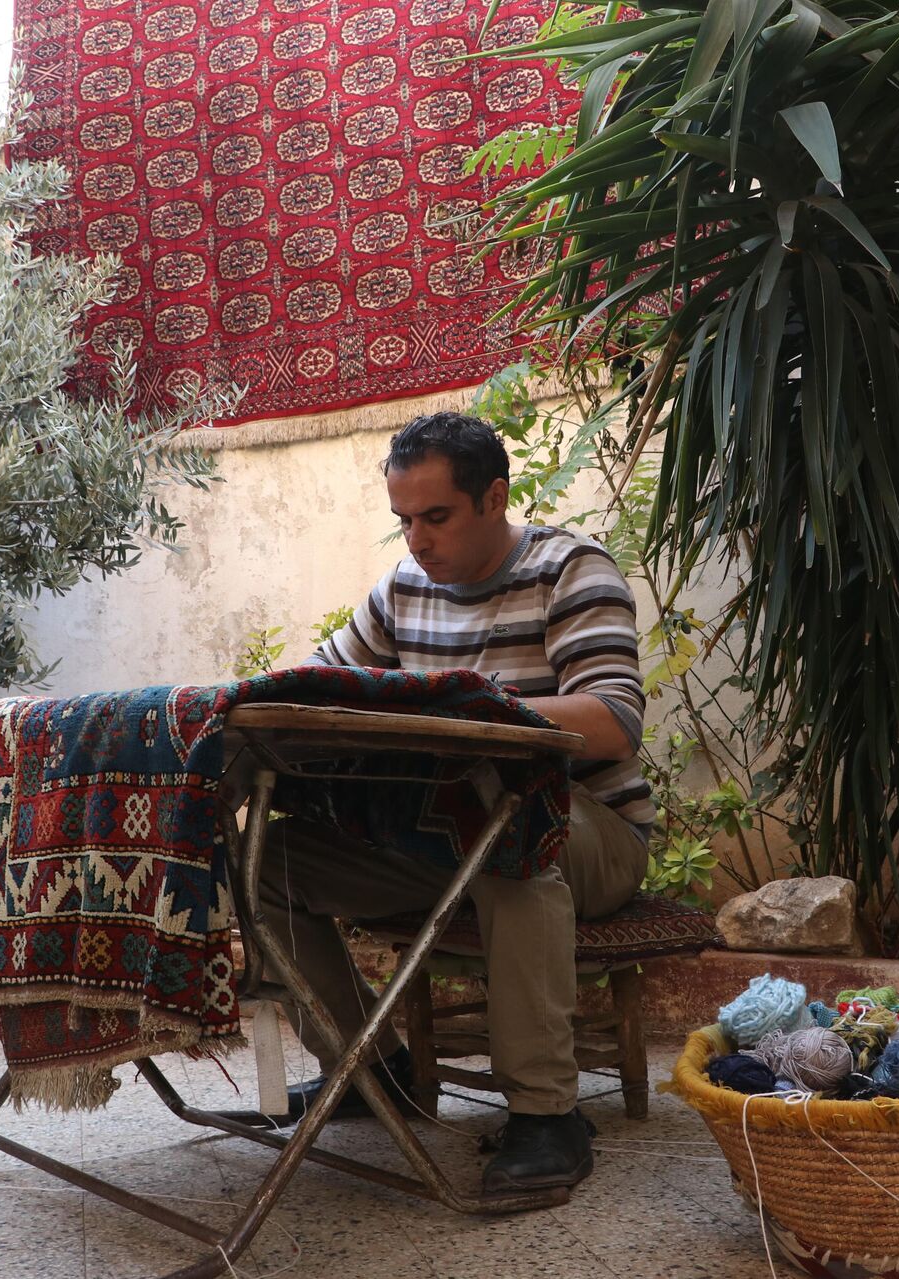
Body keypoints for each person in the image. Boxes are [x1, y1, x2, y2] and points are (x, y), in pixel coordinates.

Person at [237, 410, 654, 1194]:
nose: (417, 542)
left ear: (494, 498)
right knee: (264, 863)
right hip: (445, 838)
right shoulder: (402, 589)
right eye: (403, 521)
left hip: (592, 834)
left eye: (436, 517)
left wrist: (466, 716)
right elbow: (323, 692)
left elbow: (612, 723)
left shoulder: (572, 570)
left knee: (506, 832)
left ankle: (546, 1115)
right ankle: (370, 1071)